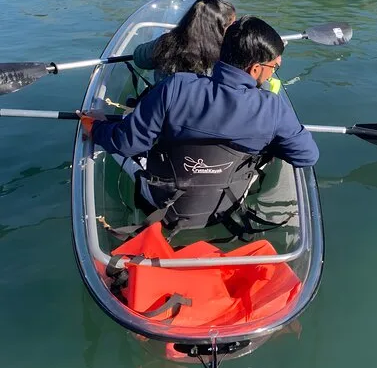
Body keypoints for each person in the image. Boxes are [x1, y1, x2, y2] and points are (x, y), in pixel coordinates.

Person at [79, 15, 319, 236]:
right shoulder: (273, 109)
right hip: (226, 204)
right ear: (255, 68)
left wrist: (97, 127)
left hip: (161, 202)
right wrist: (267, 140)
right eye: (274, 67)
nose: (273, 72)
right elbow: (307, 156)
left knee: (124, 137)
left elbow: (127, 143)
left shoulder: (175, 87)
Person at [132, 0, 237, 83]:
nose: (235, 29)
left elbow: (139, 58)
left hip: (164, 99)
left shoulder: (167, 42)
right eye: (232, 25)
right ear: (218, 29)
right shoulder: (225, 56)